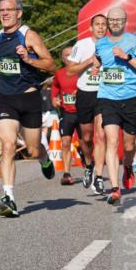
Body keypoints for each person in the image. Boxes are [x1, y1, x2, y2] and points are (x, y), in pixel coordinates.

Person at [0, 0, 57, 218]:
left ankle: (44, 158)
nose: (4, 14)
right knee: (7, 145)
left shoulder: (29, 35)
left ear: (19, 13)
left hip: (29, 97)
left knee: (33, 150)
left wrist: (29, 59)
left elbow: (51, 64)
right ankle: (8, 197)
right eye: (1, 10)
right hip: (6, 98)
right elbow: (1, 55)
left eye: (9, 10)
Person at [92, 6, 136, 205]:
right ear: (108, 22)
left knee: (128, 146)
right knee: (111, 141)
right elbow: (99, 60)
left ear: (125, 22)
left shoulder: (134, 42)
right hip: (107, 97)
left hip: (131, 98)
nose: (115, 23)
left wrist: (127, 57)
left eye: (119, 20)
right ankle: (115, 189)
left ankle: (127, 165)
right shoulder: (100, 43)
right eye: (112, 20)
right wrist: (96, 68)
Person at [65, 14, 107, 194]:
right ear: (91, 28)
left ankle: (98, 177)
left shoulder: (112, 45)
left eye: (103, 25)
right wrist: (89, 61)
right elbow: (69, 71)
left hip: (105, 94)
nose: (100, 27)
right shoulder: (81, 45)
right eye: (97, 24)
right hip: (85, 94)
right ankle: (88, 165)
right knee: (87, 138)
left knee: (101, 135)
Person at [51, 46, 81, 185]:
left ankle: (89, 168)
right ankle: (67, 174)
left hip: (82, 112)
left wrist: (80, 92)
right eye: (66, 55)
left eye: (72, 54)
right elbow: (55, 86)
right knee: (65, 143)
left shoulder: (82, 71)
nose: (69, 57)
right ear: (63, 59)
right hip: (66, 112)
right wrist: (54, 98)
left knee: (85, 142)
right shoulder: (59, 73)